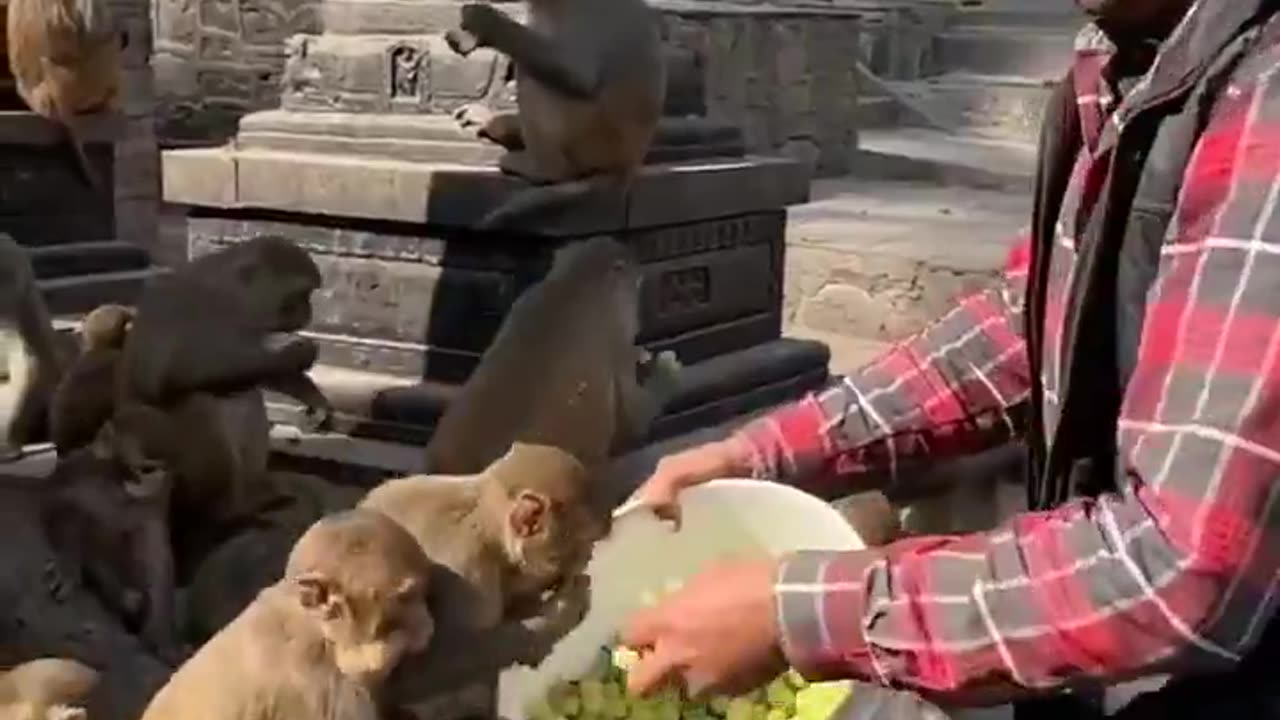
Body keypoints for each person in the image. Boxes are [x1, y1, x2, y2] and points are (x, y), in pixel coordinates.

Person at [620, 1, 1280, 718]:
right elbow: (1032, 324)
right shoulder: (1130, 65)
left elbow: (1178, 572)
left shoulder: (1264, 102)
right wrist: (761, 454)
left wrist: (798, 613)